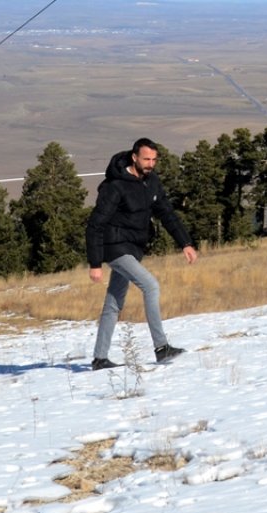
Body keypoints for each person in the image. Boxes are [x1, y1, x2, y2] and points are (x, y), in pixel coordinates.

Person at [86, 138, 198, 370]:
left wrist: (185, 243)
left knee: (114, 302)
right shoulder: (114, 186)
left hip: (134, 248)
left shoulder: (151, 182)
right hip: (115, 247)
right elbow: (95, 224)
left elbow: (167, 213)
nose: (150, 164)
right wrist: (95, 262)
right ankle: (161, 347)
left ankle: (99, 358)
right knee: (151, 286)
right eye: (146, 159)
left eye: (154, 160)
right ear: (134, 157)